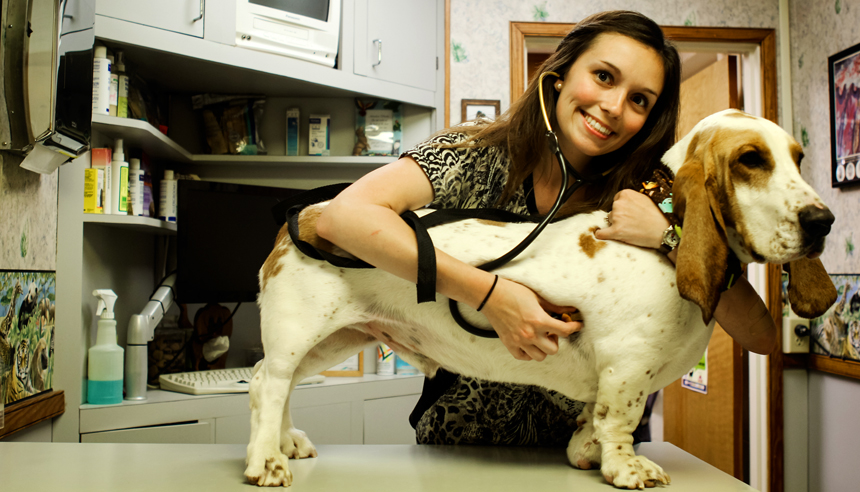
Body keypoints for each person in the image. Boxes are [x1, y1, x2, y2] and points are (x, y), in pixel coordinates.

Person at [316, 10, 776, 446]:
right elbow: (343, 217)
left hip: (591, 451)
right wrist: (488, 294)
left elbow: (759, 336)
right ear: (559, 76)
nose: (614, 106)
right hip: (461, 443)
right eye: (603, 76)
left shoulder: (654, 194)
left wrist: (667, 237)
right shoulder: (474, 155)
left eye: (639, 100)